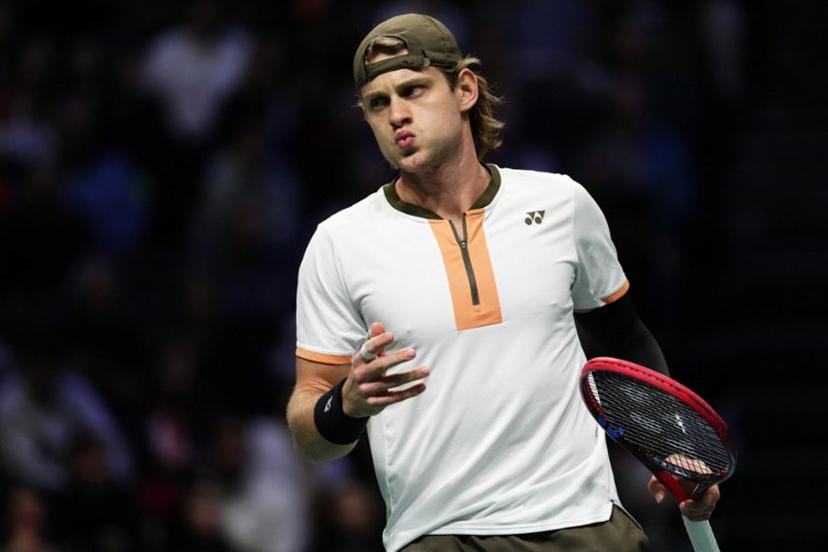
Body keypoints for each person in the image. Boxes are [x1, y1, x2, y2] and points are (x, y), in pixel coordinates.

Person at [287, 13, 720, 552]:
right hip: (440, 536)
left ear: (465, 89)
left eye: (414, 89)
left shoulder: (561, 204)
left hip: (583, 524)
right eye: (378, 103)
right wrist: (345, 404)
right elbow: (309, 433)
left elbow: (624, 340)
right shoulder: (340, 242)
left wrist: (671, 446)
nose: (397, 114)